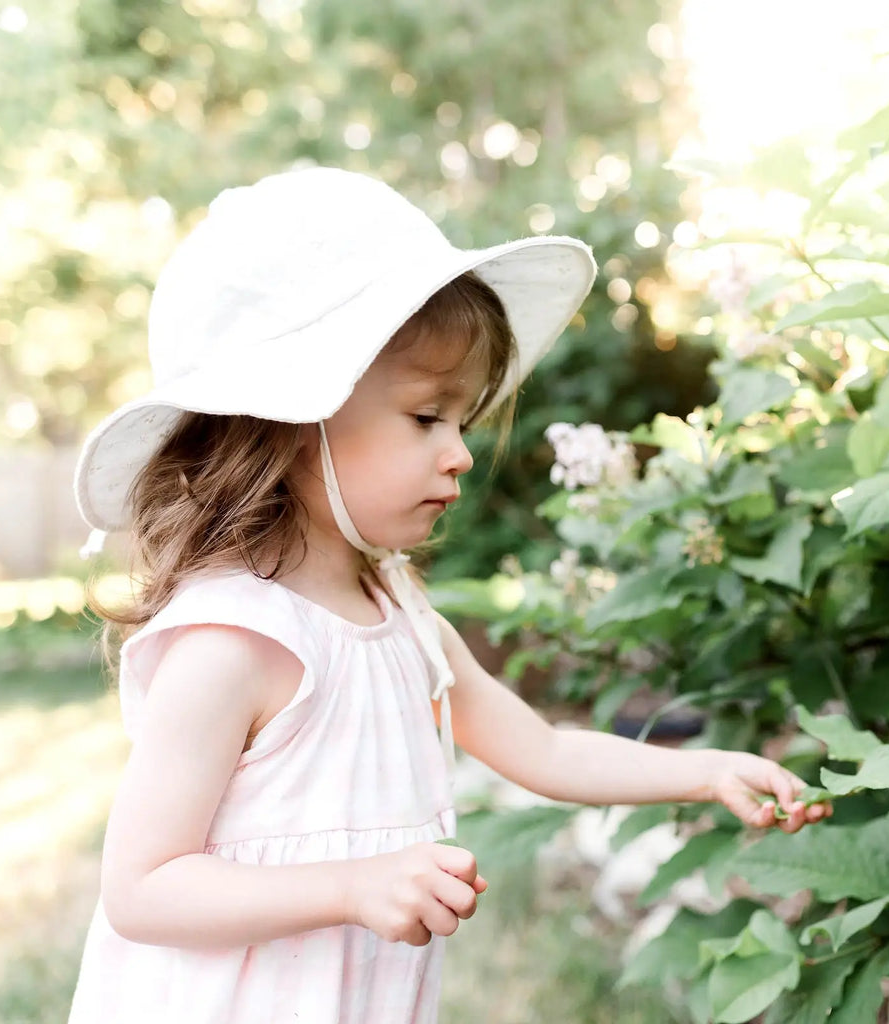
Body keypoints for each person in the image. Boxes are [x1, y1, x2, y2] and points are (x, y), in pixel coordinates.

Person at [67, 167, 828, 1024]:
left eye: (463, 422)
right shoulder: (233, 645)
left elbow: (543, 751)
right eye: (428, 417)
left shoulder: (399, 610)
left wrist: (702, 772)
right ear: (287, 417)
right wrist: (352, 886)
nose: (460, 453)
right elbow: (143, 889)